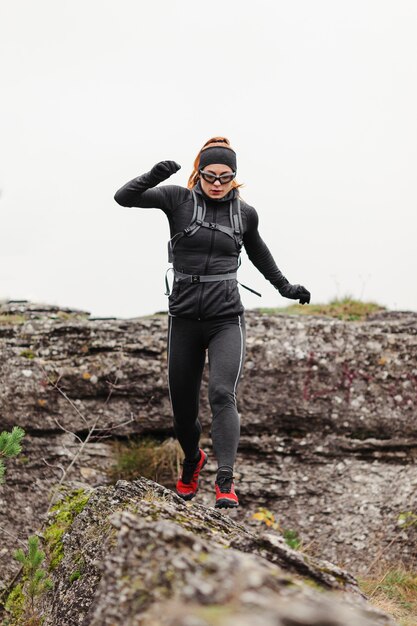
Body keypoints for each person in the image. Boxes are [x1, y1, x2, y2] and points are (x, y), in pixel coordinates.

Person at [114, 137, 310, 509]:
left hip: (226, 319)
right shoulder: (178, 199)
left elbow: (260, 254)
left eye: (226, 176)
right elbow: (123, 197)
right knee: (183, 411)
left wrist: (286, 287)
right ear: (198, 172)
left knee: (222, 393)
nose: (218, 183)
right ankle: (193, 460)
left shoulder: (244, 213)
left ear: (235, 176)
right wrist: (153, 176)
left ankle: (225, 480)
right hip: (184, 319)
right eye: (210, 175)